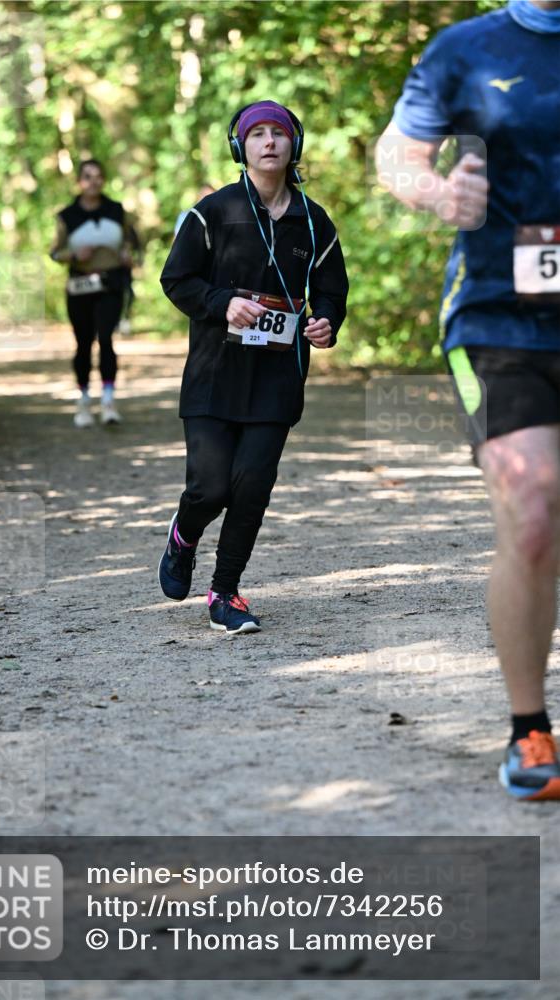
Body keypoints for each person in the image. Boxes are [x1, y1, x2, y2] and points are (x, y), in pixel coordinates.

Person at [376, 0, 560, 800]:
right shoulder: (466, 47)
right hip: (498, 318)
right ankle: (530, 733)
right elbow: (397, 153)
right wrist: (434, 194)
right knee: (533, 508)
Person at [159, 101, 348, 635]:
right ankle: (184, 535)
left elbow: (331, 290)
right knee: (210, 487)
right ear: (240, 146)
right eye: (257, 134)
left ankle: (226, 593)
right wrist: (221, 303)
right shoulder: (212, 212)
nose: (269, 142)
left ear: (294, 145)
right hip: (215, 373)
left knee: (251, 488)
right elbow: (177, 280)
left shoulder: (314, 221)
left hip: (278, 376)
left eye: (279, 134)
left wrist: (326, 321)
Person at [50, 159, 133, 427]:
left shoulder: (118, 210)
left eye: (98, 176)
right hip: (79, 287)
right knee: (83, 343)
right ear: (79, 181)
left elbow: (133, 242)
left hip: (110, 285)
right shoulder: (66, 215)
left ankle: (108, 400)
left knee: (107, 338)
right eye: (87, 176)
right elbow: (54, 252)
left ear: (104, 180)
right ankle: (84, 400)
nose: (93, 181)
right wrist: (73, 255)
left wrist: (127, 254)